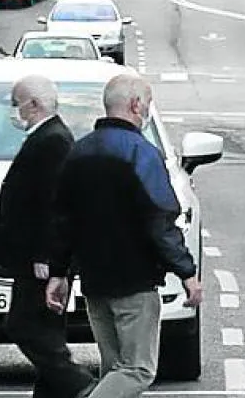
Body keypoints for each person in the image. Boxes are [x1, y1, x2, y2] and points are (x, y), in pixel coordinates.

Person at [45, 73, 200, 398]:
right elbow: (160, 219)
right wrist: (186, 271)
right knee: (137, 370)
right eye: (147, 103)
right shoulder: (140, 153)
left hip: (94, 283)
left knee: (114, 370)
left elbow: (62, 221)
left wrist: (59, 273)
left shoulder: (78, 152)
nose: (146, 110)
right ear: (135, 104)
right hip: (134, 282)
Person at [0, 76, 92, 398]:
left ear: (33, 104)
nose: (14, 111)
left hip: (39, 260)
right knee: (46, 331)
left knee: (25, 326)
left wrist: (49, 261)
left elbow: (54, 207)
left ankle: (82, 386)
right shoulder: (48, 137)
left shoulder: (52, 141)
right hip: (37, 258)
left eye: (15, 103)